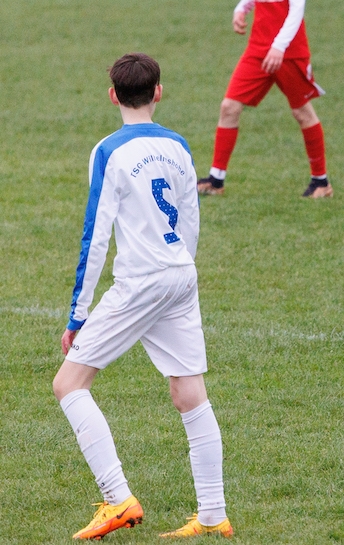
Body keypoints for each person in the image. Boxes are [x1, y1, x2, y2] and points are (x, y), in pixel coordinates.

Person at [53, 54, 232, 539]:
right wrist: (182, 268)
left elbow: (96, 236)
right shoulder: (178, 145)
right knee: (189, 393)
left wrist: (78, 316)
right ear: (158, 93)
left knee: (69, 385)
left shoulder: (108, 151)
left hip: (141, 281)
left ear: (113, 95)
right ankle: (213, 516)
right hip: (181, 273)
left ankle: (118, 499)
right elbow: (190, 216)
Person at [196, 0, 332, 199]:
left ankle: (321, 182)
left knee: (302, 113)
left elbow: (297, 8)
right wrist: (240, 8)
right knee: (229, 106)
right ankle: (216, 180)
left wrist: (279, 46)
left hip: (288, 51)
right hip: (258, 48)